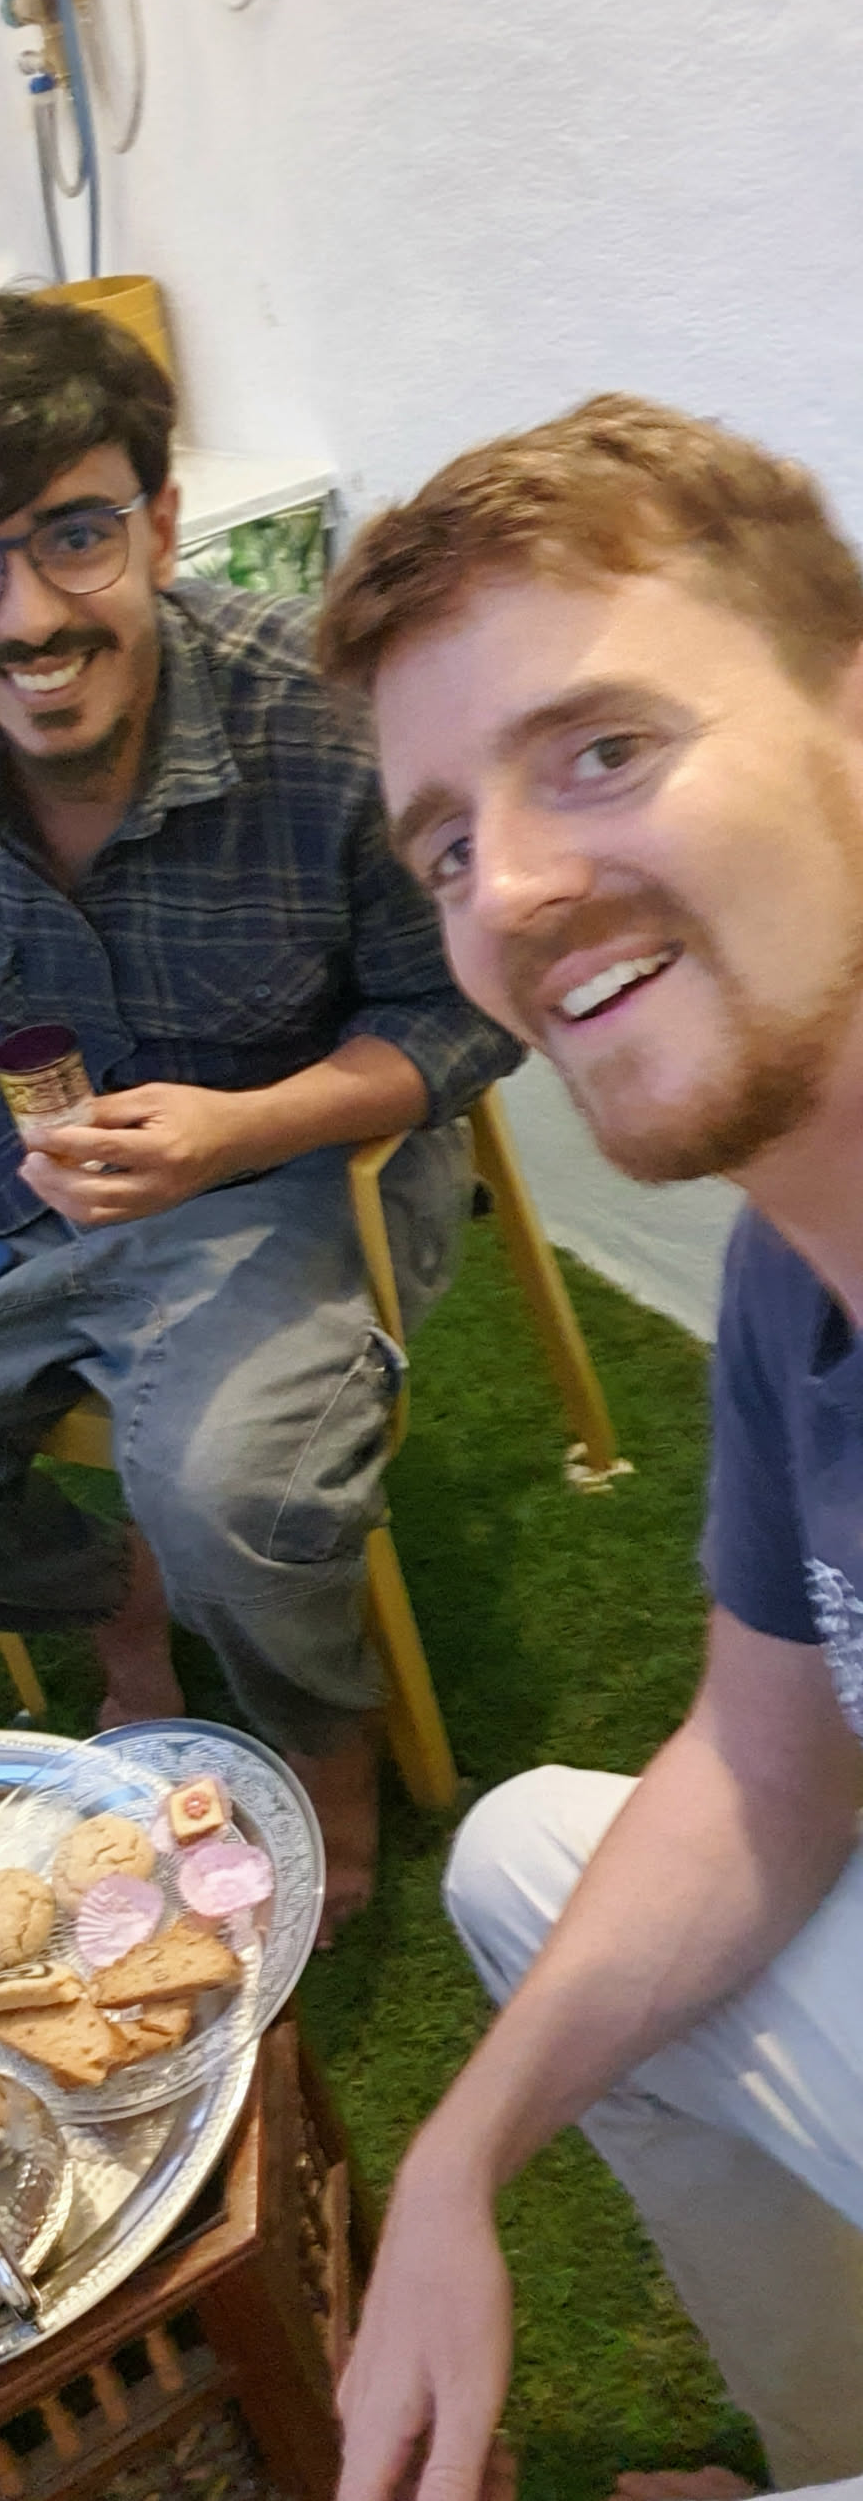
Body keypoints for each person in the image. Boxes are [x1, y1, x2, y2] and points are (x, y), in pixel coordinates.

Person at [0, 291, 519, 1931]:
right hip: (30, 1157)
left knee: (233, 1490)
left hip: (300, 1154)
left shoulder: (327, 716)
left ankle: (320, 1750)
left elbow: (465, 1012)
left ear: (162, 525)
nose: (27, 617)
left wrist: (236, 1135)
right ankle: (122, 1605)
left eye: (75, 538)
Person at [316, 393, 863, 2494]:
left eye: (603, 750)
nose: (514, 891)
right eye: (448, 843)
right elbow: (768, 1762)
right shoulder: (794, 1275)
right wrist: (459, 2159)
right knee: (529, 1864)